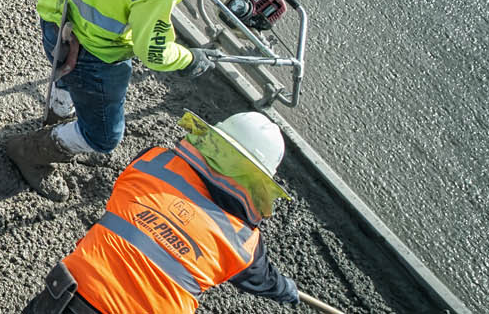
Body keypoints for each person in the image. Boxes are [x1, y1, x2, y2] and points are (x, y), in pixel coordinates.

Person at [7, 0, 275, 201]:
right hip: (94, 54)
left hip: (56, 8)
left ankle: (56, 116)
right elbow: (154, 51)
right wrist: (190, 59)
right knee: (103, 136)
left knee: (63, 73)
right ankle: (31, 152)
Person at [21, 111, 301, 313]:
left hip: (67, 295)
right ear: (259, 182)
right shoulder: (243, 242)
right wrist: (286, 290)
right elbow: (263, 281)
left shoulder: (151, 162)